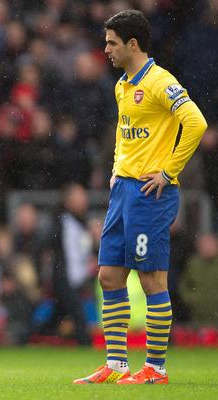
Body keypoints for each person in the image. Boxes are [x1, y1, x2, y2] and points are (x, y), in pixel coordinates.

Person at [74, 9, 207, 385]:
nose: (106, 50)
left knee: (151, 279)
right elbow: (125, 130)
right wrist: (117, 168)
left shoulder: (160, 81)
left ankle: (156, 368)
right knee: (109, 276)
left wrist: (168, 172)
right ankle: (117, 363)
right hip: (124, 190)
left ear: (132, 44)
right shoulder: (122, 85)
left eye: (111, 43)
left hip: (152, 193)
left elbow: (196, 122)